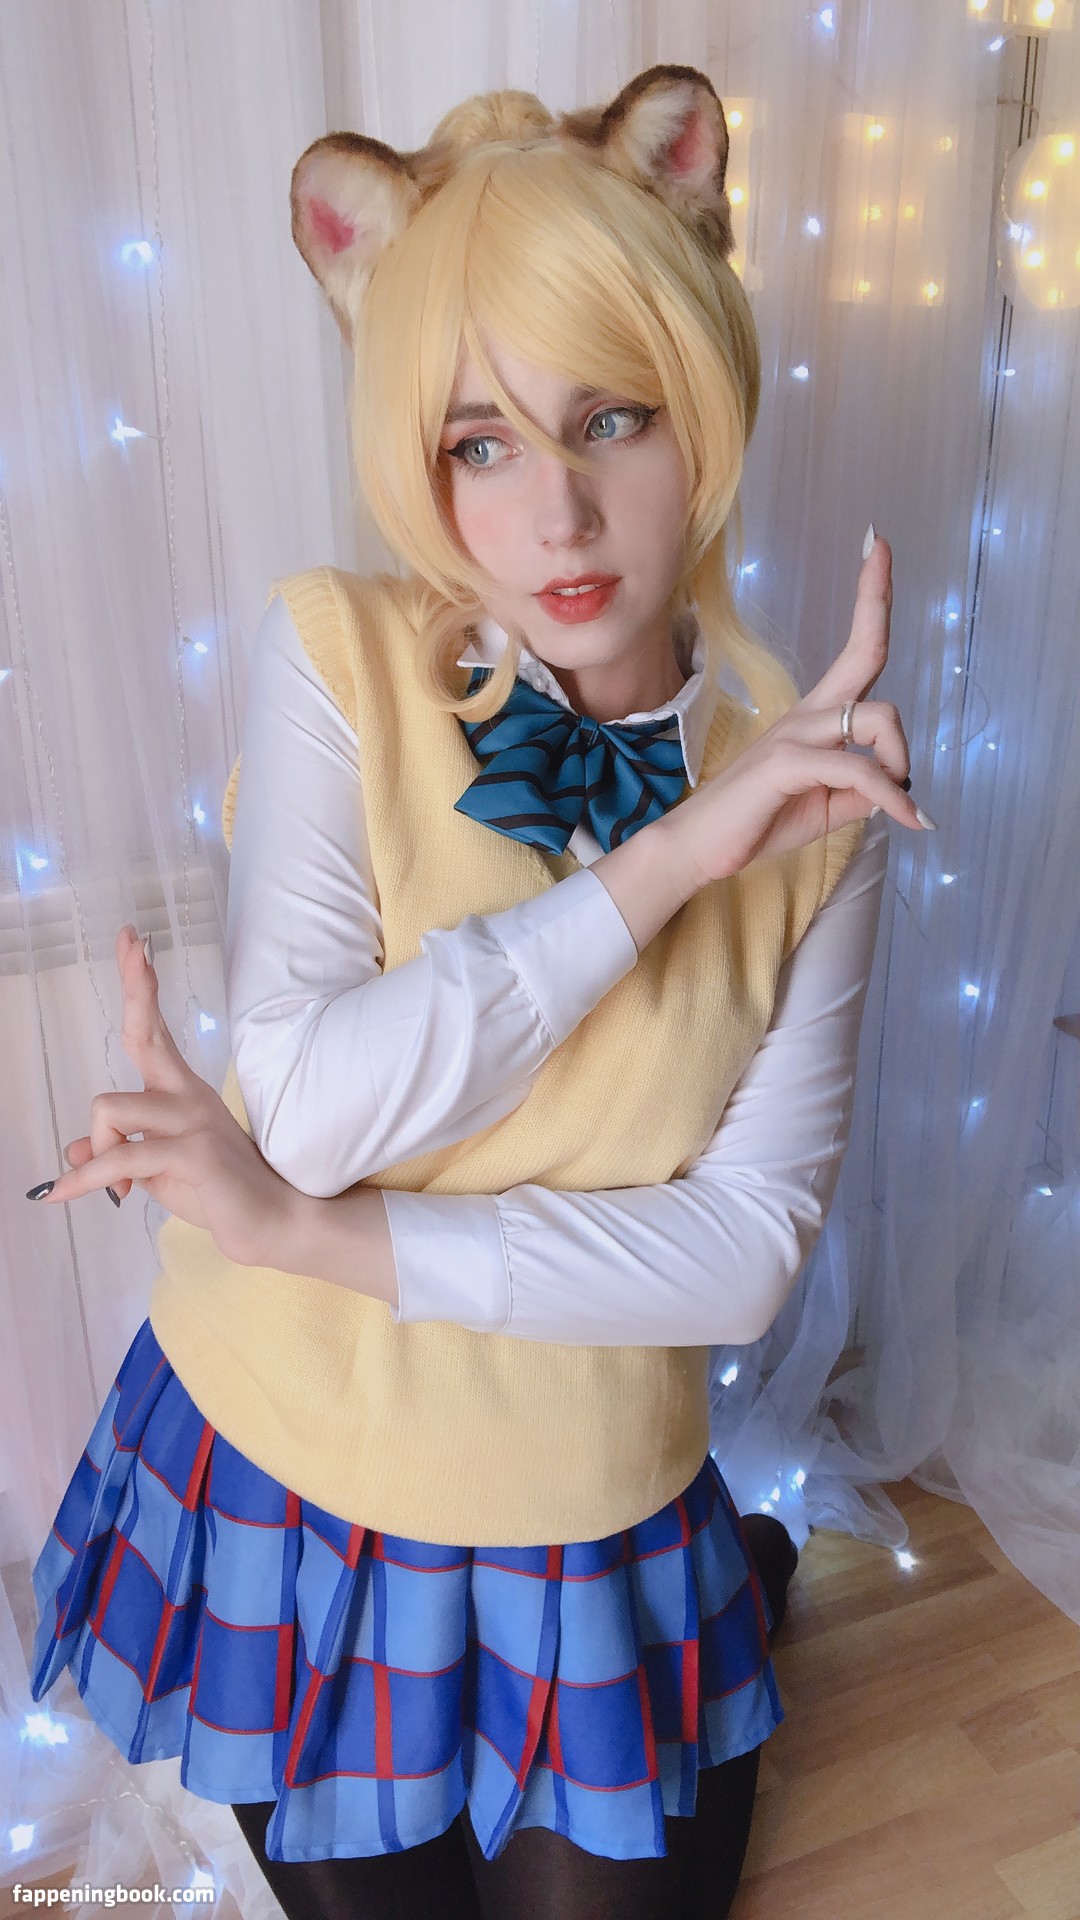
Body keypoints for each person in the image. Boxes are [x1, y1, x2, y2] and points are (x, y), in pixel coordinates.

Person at [25, 64, 925, 1920]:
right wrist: (663, 864)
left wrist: (311, 1233)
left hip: (586, 1501)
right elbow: (312, 1108)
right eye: (481, 444)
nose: (560, 513)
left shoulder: (819, 795)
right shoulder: (335, 656)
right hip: (289, 1462)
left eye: (613, 417)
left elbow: (741, 1258)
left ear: (702, 399)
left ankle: (736, 1586)